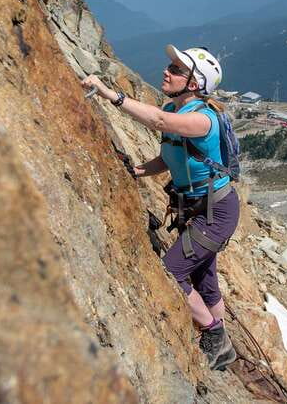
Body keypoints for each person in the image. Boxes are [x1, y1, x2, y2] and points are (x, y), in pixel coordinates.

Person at [82, 45, 239, 370]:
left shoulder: (200, 119)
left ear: (194, 84)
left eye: (177, 69)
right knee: (204, 278)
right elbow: (169, 158)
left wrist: (111, 95)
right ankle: (222, 347)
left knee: (171, 270)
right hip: (198, 207)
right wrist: (139, 171)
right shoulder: (177, 109)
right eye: (170, 65)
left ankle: (214, 335)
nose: (167, 71)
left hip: (214, 211)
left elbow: (157, 121)